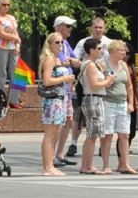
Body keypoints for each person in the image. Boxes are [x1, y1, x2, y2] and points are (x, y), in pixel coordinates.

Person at [39, 32, 77, 176]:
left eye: (61, 42)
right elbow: (47, 81)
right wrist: (64, 78)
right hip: (52, 99)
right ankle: (47, 167)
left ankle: (51, 164)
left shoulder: (57, 60)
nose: (60, 45)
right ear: (49, 44)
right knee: (50, 134)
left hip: (60, 98)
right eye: (57, 42)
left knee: (55, 133)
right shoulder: (49, 60)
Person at [76, 38, 113, 174]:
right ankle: (87, 165)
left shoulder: (93, 64)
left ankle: (87, 165)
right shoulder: (90, 65)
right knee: (92, 135)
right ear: (91, 50)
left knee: (93, 134)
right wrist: (107, 80)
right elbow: (94, 85)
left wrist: (105, 82)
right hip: (93, 100)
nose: (101, 51)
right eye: (99, 48)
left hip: (95, 99)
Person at [101, 39, 137, 174]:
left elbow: (129, 85)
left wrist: (131, 103)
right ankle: (106, 165)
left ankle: (125, 164)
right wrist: (106, 82)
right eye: (122, 50)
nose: (124, 53)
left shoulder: (123, 65)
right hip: (109, 102)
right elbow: (99, 81)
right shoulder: (104, 65)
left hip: (122, 104)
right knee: (108, 135)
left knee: (125, 135)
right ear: (114, 51)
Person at [51, 15, 83, 165]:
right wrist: (69, 61)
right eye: (68, 26)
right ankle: (51, 155)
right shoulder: (55, 43)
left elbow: (76, 62)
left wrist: (68, 61)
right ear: (59, 27)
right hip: (57, 89)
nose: (70, 29)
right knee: (57, 123)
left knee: (68, 120)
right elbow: (62, 61)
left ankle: (60, 154)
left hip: (68, 89)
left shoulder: (66, 44)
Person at [0, 0, 22, 108]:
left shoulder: (12, 18)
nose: (7, 7)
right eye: (4, 4)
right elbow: (1, 34)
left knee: (16, 74)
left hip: (13, 47)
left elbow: (16, 33)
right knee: (2, 73)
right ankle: (1, 99)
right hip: (1, 47)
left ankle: (14, 100)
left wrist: (18, 45)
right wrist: (15, 39)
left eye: (8, 5)